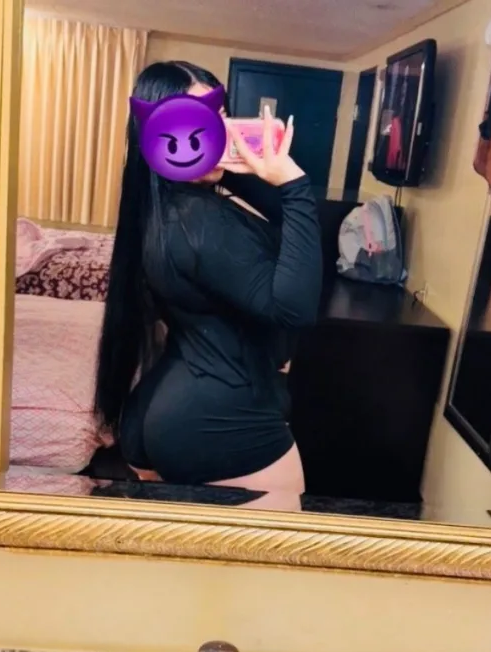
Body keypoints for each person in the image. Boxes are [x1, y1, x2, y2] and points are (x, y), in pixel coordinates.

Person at [94, 60, 323, 495]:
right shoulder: (201, 222)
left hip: (169, 406)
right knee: (275, 539)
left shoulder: (162, 211)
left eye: (219, 120)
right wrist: (294, 184)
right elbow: (294, 308)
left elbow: (287, 229)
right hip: (222, 423)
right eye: (196, 124)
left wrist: (239, 164)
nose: (215, 136)